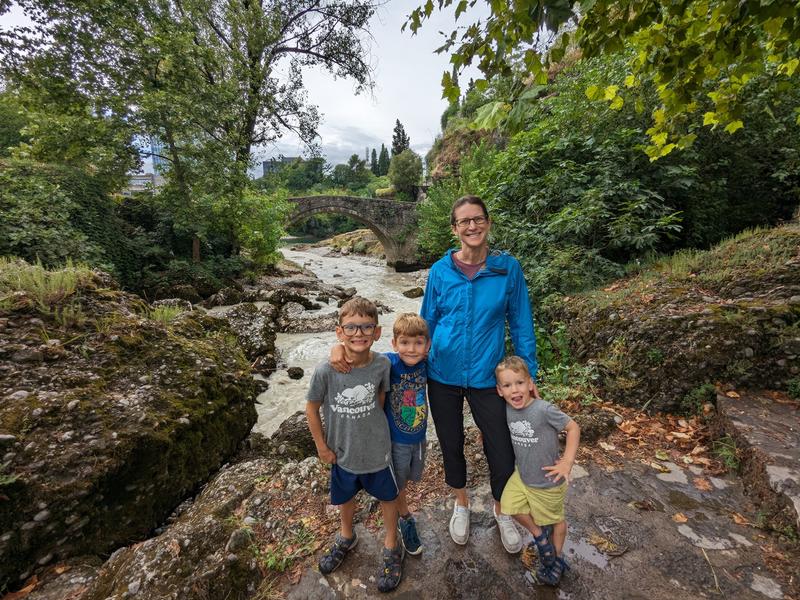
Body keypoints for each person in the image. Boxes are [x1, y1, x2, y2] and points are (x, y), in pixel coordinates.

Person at [420, 194, 539, 553]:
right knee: (451, 442)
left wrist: (527, 376)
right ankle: (461, 503)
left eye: (478, 219)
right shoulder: (440, 271)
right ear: (455, 229)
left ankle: (503, 510)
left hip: (490, 377)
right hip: (442, 373)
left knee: (502, 449)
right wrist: (409, 368)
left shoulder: (507, 269)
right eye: (464, 221)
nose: (472, 226)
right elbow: (426, 322)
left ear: (487, 223)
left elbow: (521, 324)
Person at [305, 296, 403, 593]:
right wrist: (322, 446)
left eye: (366, 327)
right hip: (342, 451)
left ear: (377, 332)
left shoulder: (383, 365)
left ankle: (391, 544)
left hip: (377, 450)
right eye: (351, 327)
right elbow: (312, 408)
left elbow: (380, 401)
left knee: (388, 497)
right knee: (345, 497)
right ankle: (347, 536)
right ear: (339, 332)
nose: (358, 333)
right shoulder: (326, 371)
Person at [329, 313, 431, 556]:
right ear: (394, 344)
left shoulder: (428, 364)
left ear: (427, 346)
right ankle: (404, 519)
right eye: (405, 343)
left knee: (405, 482)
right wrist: (337, 348)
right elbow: (359, 356)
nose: (411, 349)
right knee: (395, 487)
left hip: (418, 439)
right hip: (393, 442)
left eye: (418, 343)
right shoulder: (388, 363)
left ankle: (401, 515)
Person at [495, 356, 580, 585]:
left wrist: (567, 462)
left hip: (547, 482)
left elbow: (573, 428)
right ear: (499, 391)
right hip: (522, 476)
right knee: (508, 505)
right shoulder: (507, 408)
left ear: (531, 384)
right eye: (508, 385)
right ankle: (539, 536)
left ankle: (556, 559)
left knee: (556, 520)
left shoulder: (543, 410)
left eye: (520, 383)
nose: (515, 390)